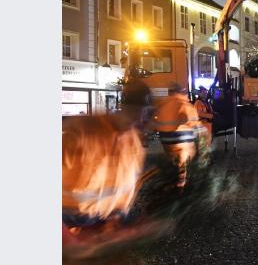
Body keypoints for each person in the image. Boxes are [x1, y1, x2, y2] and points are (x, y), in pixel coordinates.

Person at [62, 79, 150, 232]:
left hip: (103, 225)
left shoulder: (134, 143)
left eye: (144, 112)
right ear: (122, 107)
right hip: (68, 225)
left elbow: (128, 186)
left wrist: (118, 215)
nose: (140, 118)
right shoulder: (83, 133)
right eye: (135, 112)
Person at [152, 83, 201, 188]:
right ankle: (182, 182)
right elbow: (191, 120)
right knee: (187, 157)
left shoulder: (162, 105)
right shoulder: (184, 104)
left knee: (174, 159)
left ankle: (174, 176)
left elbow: (154, 122)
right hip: (182, 138)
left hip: (165, 139)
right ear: (182, 93)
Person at [194, 86, 215, 155]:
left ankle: (205, 157)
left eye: (205, 93)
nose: (205, 94)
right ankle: (204, 158)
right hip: (202, 125)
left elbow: (209, 111)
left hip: (207, 125)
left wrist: (214, 114)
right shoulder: (198, 103)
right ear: (199, 93)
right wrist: (211, 116)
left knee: (207, 142)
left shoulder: (205, 102)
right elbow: (199, 113)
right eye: (203, 93)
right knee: (204, 142)